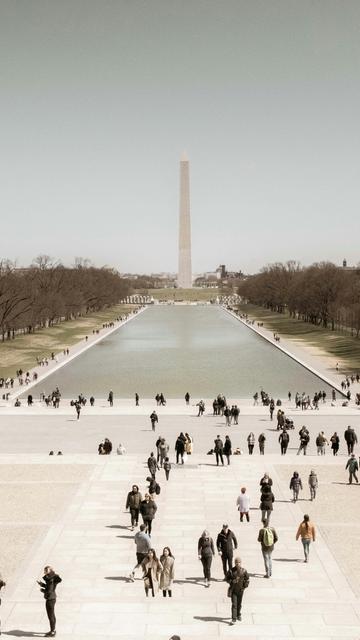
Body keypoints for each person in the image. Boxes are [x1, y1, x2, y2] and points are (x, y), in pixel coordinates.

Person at [37, 565, 62, 637]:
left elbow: (49, 590)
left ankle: (52, 631)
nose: (44, 571)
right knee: (52, 615)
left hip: (50, 599)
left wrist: (43, 591)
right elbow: (49, 587)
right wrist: (42, 584)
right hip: (52, 598)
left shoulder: (50, 579)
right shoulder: (50, 578)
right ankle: (53, 630)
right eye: (44, 570)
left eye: (46, 570)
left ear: (49, 571)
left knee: (50, 616)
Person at [226, 557, 249, 624]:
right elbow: (227, 579)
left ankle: (238, 614)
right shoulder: (231, 571)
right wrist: (231, 581)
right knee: (234, 605)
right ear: (234, 563)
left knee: (239, 604)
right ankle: (234, 619)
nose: (237, 564)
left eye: (239, 562)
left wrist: (245, 586)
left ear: (241, 563)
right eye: (236, 562)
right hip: (233, 591)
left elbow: (247, 579)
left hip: (241, 591)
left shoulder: (244, 571)